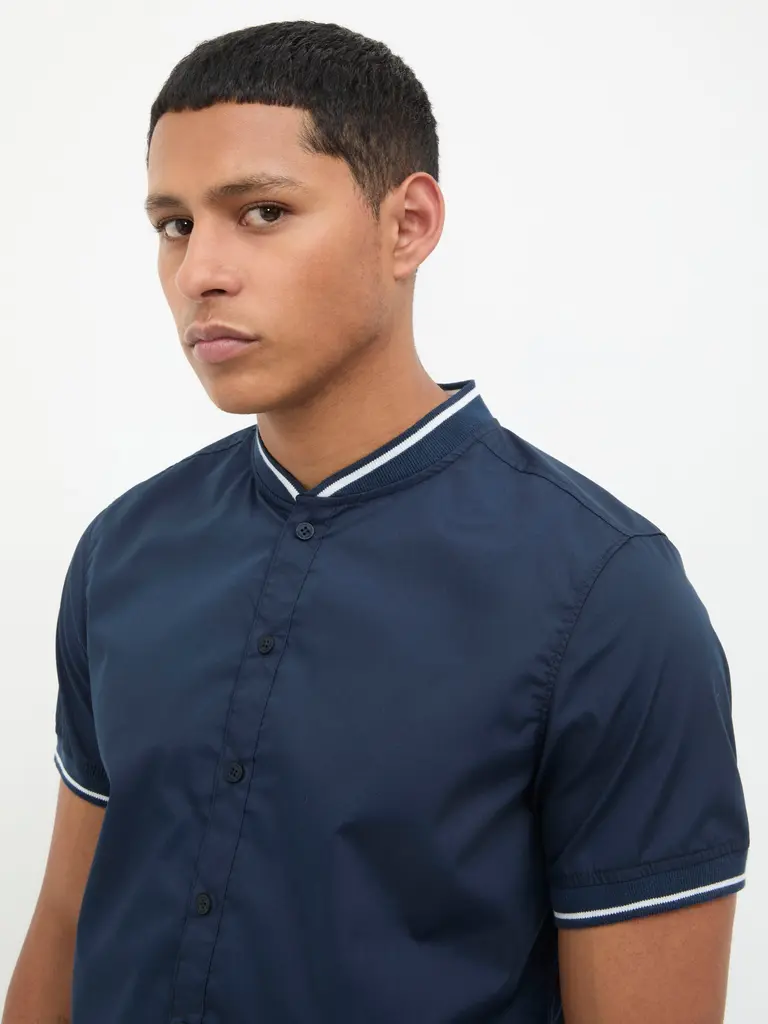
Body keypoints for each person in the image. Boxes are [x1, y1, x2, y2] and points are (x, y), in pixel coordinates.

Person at [2, 20, 749, 1024]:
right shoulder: (123, 552)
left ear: (408, 226)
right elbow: (64, 922)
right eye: (174, 224)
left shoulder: (606, 597)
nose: (198, 272)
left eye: (262, 212)